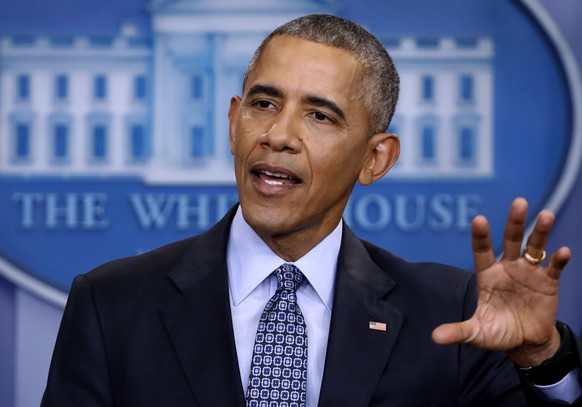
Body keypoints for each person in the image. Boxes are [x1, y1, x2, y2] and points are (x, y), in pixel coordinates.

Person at [42, 14, 582, 406]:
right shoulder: (110, 304)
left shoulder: (453, 311)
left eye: (320, 116)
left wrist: (541, 361)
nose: (278, 135)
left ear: (376, 158)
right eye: (263, 104)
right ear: (234, 124)